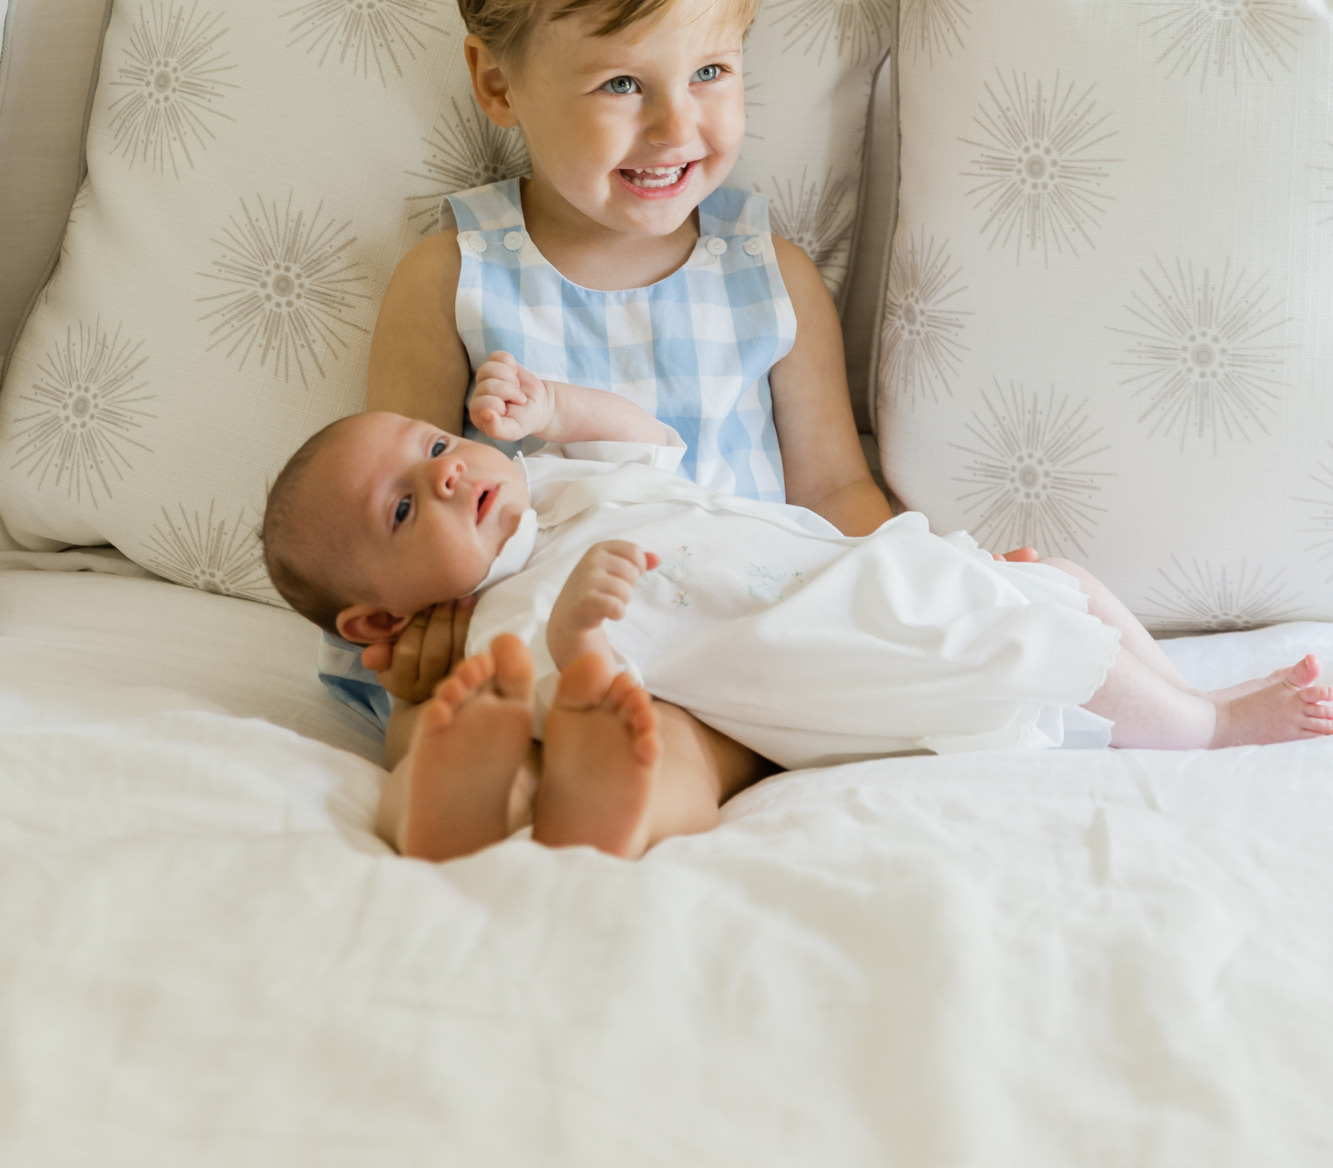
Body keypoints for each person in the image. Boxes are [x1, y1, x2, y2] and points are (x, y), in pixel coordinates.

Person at [314, 0, 896, 834]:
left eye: (710, 69)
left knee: (688, 735)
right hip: (508, 611)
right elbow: (395, 486)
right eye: (623, 83)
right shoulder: (452, 273)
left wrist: (914, 577)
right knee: (440, 706)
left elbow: (833, 488)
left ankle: (604, 794)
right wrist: (416, 631)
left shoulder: (770, 278)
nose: (677, 127)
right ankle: (451, 785)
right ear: (497, 83)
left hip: (715, 629)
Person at [265, 351, 1333, 863]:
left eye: (438, 444)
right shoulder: (508, 621)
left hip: (853, 566)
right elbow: (557, 681)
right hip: (814, 640)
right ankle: (1200, 726)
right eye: (406, 506)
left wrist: (553, 404)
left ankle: (1182, 690)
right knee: (1025, 636)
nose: (450, 474)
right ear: (373, 619)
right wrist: (575, 634)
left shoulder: (557, 487)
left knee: (1070, 589)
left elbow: (640, 436)